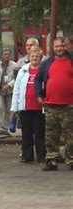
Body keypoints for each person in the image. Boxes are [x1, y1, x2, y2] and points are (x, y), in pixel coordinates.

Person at [35, 37, 73, 171]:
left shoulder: (71, 60)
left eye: (61, 46)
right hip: (51, 105)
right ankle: (52, 160)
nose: (59, 48)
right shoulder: (47, 63)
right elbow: (38, 79)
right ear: (53, 47)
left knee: (70, 135)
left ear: (65, 46)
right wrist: (39, 95)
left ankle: (71, 160)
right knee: (51, 135)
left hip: (69, 105)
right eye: (56, 46)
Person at [11, 46, 46, 164]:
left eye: (37, 56)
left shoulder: (44, 70)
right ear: (29, 57)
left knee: (40, 134)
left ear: (41, 58)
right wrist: (14, 107)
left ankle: (42, 157)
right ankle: (27, 156)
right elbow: (17, 88)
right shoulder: (23, 70)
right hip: (25, 107)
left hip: (40, 108)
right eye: (32, 56)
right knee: (26, 133)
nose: (34, 58)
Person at [0, 48, 16, 135]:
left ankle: (6, 127)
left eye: (8, 54)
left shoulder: (14, 65)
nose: (7, 56)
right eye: (5, 54)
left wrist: (10, 85)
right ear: (2, 55)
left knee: (8, 109)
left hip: (9, 91)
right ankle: (0, 127)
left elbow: (16, 77)